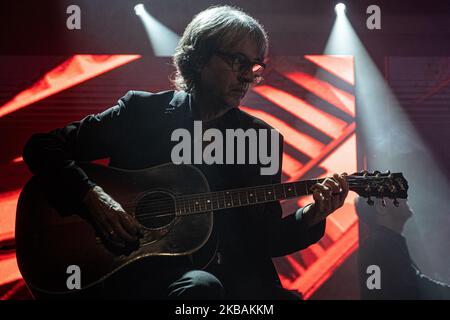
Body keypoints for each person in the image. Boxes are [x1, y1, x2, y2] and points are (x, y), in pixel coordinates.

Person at [22, 5, 349, 300]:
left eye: (254, 66)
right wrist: (93, 197)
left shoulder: (260, 138)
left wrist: (312, 215)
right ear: (199, 58)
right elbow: (42, 147)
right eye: (238, 61)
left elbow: (266, 239)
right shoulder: (142, 112)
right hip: (136, 272)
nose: (248, 75)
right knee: (201, 289)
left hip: (232, 277)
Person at [355, 196, 450, 299]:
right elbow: (414, 287)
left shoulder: (381, 243)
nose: (404, 196)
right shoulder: (378, 245)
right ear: (381, 208)